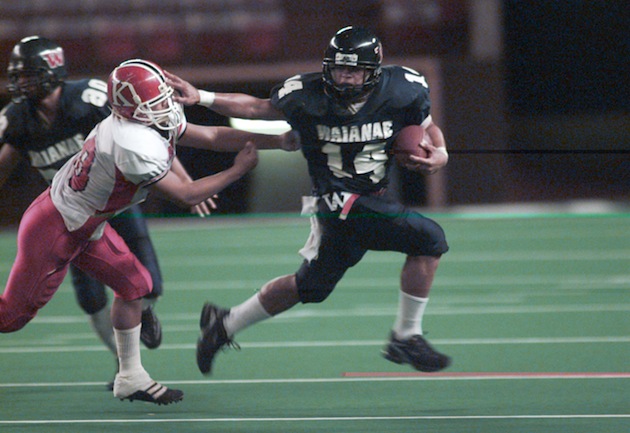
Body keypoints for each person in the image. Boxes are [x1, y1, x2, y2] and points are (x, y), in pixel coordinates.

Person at [0, 58, 298, 404]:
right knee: (11, 318)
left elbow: (213, 135)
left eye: (162, 98)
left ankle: (130, 377)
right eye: (153, 103)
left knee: (136, 286)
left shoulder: (142, 118)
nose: (164, 107)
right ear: (128, 109)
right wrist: (236, 171)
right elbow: (186, 195)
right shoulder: (130, 142)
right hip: (57, 227)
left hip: (87, 221)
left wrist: (279, 141)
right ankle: (129, 374)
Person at [167, 26, 452, 375]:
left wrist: (440, 153)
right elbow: (257, 107)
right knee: (429, 238)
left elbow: (428, 126)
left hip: (373, 196)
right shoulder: (306, 93)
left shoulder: (404, 88)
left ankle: (223, 324)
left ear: (373, 71)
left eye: (354, 70)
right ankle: (406, 336)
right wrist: (204, 97)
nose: (345, 78)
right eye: (339, 69)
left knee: (310, 287)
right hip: (335, 201)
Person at [0, 36, 214, 386]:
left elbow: (153, 137)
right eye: (18, 76)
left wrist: (186, 181)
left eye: (28, 75)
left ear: (52, 71)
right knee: (90, 298)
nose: (21, 83)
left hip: (117, 201)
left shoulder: (90, 100)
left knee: (147, 281)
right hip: (72, 213)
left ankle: (143, 315)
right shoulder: (18, 119)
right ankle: (123, 363)